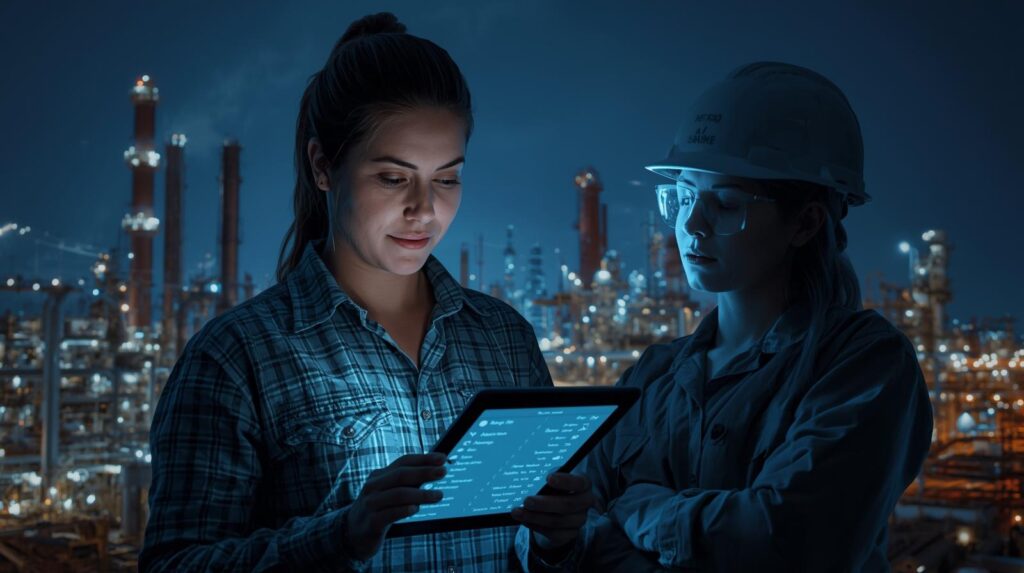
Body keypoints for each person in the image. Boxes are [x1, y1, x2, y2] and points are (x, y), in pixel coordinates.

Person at [141, 13, 590, 572]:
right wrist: (343, 535)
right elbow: (173, 564)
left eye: (446, 178)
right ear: (324, 166)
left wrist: (557, 540)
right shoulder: (238, 357)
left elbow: (528, 549)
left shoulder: (504, 339)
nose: (424, 209)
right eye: (392, 177)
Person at [514, 62, 934, 571]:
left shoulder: (862, 365)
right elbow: (570, 534)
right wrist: (555, 541)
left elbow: (790, 542)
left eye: (727, 202)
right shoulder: (653, 376)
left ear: (804, 222)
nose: (691, 224)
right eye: (684, 195)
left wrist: (645, 510)